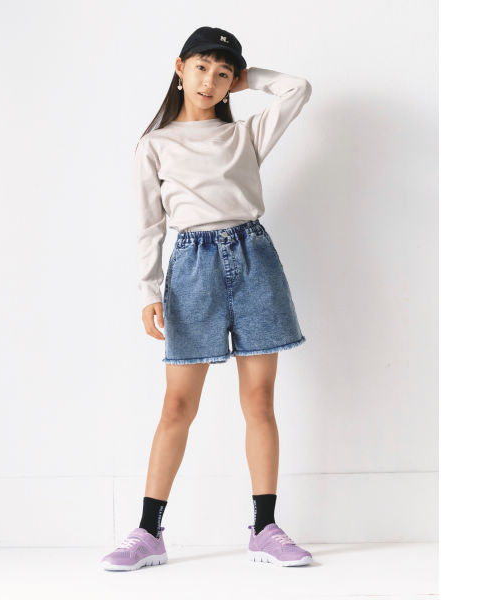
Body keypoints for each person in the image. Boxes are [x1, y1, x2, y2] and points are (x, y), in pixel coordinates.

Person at [101, 26, 314, 571]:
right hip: (192, 268)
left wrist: (249, 79)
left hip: (254, 259)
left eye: (223, 73)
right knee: (177, 404)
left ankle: (264, 527)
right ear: (179, 68)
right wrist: (148, 290)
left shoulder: (245, 135)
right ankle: (148, 531)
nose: (210, 81)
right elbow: (149, 225)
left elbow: (298, 89)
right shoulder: (155, 145)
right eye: (201, 67)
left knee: (259, 400)